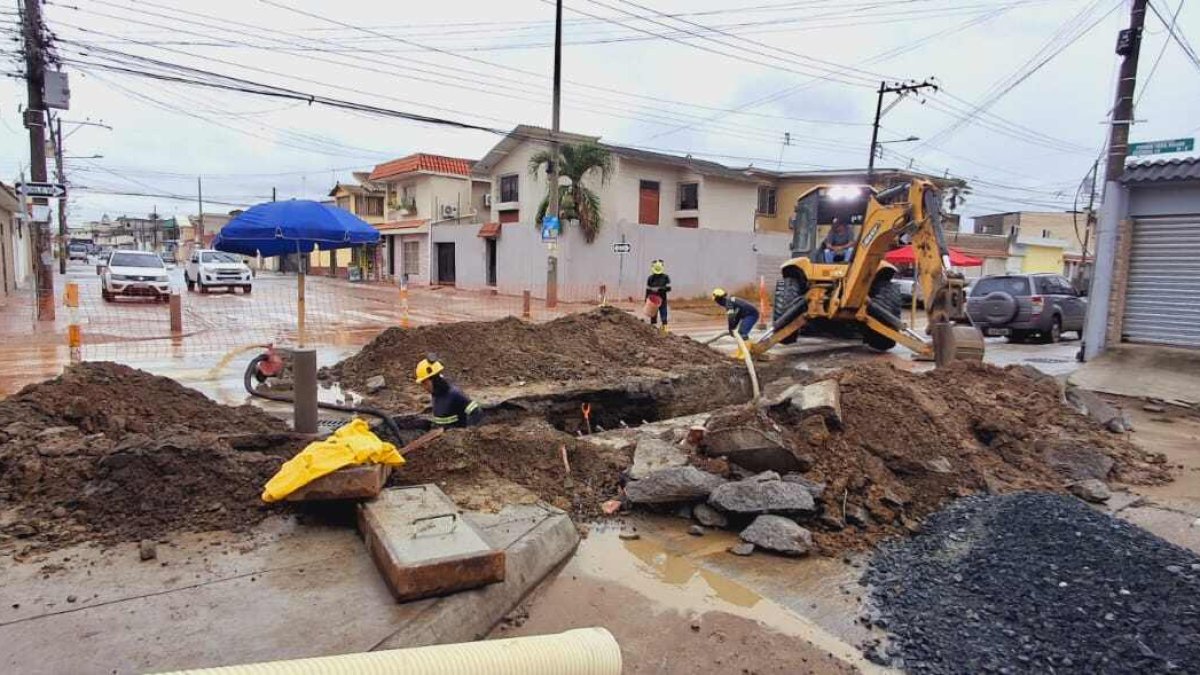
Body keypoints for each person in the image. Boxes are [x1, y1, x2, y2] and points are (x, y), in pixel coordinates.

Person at [414, 355, 481, 429]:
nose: (424, 387)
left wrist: (466, 433)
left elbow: (476, 412)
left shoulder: (454, 394)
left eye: (425, 383)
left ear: (435, 379)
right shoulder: (436, 395)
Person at [713, 288, 759, 358]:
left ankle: (746, 354)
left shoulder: (729, 303)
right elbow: (737, 316)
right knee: (740, 333)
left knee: (743, 333)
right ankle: (741, 351)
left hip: (751, 314)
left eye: (716, 301)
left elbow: (731, 318)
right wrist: (733, 328)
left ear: (718, 299)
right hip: (747, 314)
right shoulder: (730, 300)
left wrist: (730, 328)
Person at [645, 259, 671, 333]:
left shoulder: (666, 277)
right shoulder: (650, 278)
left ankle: (664, 331)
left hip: (662, 300)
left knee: (663, 315)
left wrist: (660, 289)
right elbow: (648, 290)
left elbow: (669, 288)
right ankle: (653, 332)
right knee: (653, 316)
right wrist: (646, 299)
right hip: (653, 301)